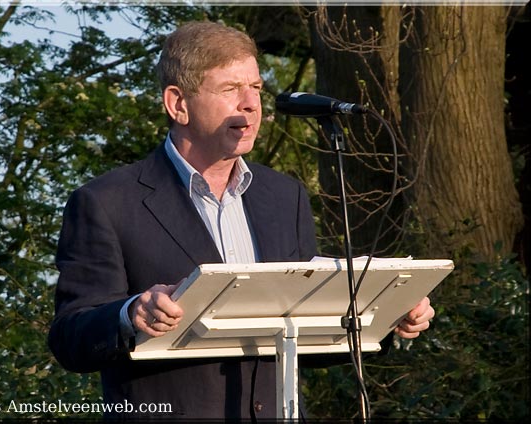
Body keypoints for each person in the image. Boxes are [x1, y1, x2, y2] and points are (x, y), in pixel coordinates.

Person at [48, 20, 435, 420]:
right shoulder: (106, 202)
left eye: (256, 89)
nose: (251, 103)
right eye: (230, 89)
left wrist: (385, 314)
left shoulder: (285, 196)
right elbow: (70, 337)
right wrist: (131, 314)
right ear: (177, 104)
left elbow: (303, 333)